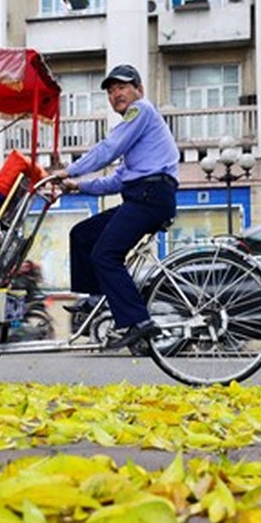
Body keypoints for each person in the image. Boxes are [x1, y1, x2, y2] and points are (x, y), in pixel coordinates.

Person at [57, 64, 180, 350]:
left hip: (151, 195)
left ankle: (138, 321)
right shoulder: (138, 142)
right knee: (83, 233)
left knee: (105, 255)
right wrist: (78, 185)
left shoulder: (141, 110)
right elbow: (116, 181)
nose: (116, 94)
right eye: (111, 91)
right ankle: (95, 299)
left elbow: (108, 148)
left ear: (139, 89)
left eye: (122, 87)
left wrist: (70, 170)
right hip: (143, 195)